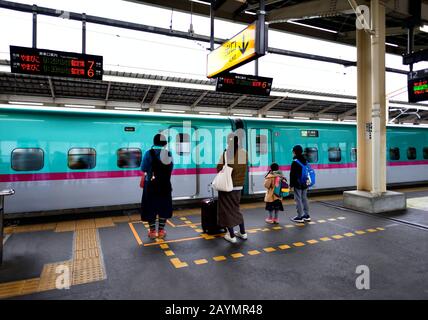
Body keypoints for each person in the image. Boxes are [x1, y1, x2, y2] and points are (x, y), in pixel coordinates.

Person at [216, 132, 248, 244]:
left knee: (226, 210)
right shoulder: (244, 153)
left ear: (227, 142)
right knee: (236, 209)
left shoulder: (226, 153)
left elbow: (218, 168)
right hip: (239, 186)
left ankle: (231, 235)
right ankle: (243, 233)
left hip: (227, 186)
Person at [140, 133, 173, 240]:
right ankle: (162, 231)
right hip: (165, 185)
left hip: (151, 185)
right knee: (164, 207)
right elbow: (170, 168)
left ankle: (153, 232)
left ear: (154, 142)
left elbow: (144, 168)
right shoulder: (168, 154)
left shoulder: (148, 153)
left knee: (151, 207)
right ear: (165, 143)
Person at [289, 145, 311, 223]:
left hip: (297, 184)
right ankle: (306, 215)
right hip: (305, 183)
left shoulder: (295, 162)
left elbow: (292, 175)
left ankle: (299, 217)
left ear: (295, 152)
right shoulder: (305, 160)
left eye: (293, 151)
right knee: (304, 198)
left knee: (298, 199)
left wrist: (291, 185)